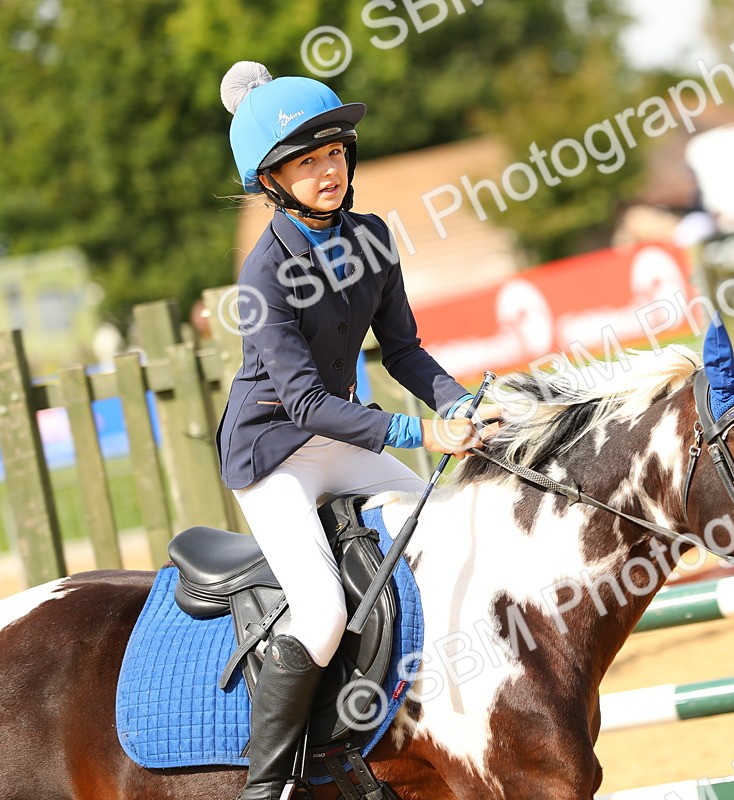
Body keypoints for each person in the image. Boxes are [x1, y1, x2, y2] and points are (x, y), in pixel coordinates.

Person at [216, 61, 497, 800]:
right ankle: (269, 782)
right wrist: (419, 432)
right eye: (308, 161)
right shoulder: (262, 274)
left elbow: (402, 350)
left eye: (335, 153)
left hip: (338, 440)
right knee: (320, 613)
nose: (329, 170)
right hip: (274, 455)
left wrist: (457, 404)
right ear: (271, 180)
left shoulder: (371, 237)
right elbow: (305, 403)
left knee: (440, 530)